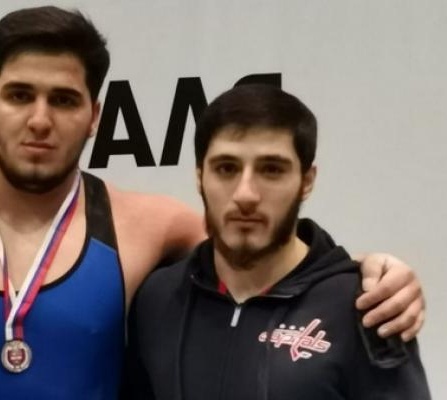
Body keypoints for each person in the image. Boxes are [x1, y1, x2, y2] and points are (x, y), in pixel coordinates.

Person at [0, 6, 425, 400]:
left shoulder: (150, 229)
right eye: (20, 95)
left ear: (95, 116)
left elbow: (266, 255)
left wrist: (371, 271)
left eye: (64, 100)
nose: (40, 120)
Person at [124, 84, 431, 399]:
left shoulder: (368, 306)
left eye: (271, 170)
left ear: (306, 181)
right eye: (226, 168)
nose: (245, 194)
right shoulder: (158, 298)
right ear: (200, 177)